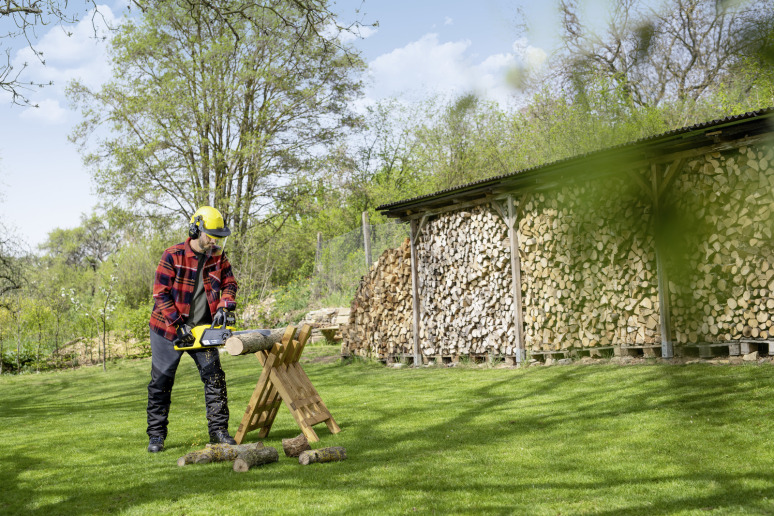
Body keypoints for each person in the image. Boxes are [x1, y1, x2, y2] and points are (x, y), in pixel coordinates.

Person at [146, 206, 239, 453]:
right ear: (196, 229)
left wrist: (224, 306)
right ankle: (156, 436)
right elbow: (160, 294)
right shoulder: (173, 255)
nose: (215, 241)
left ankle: (219, 431)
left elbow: (230, 283)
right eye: (211, 235)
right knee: (162, 381)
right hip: (167, 329)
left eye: (219, 236)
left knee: (215, 377)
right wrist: (177, 324)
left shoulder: (218, 256)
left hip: (201, 329)